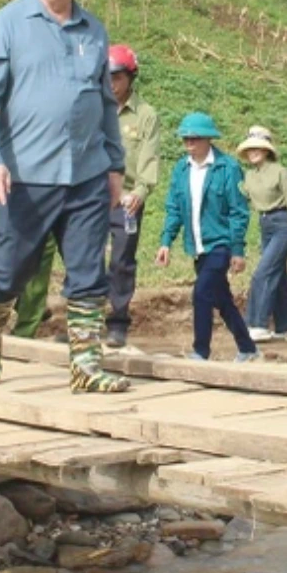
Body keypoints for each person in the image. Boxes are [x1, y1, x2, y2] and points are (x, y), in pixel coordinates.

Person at [0, 0, 130, 394]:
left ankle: (85, 365)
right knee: (10, 269)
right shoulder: (7, 25)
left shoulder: (93, 30)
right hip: (26, 175)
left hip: (85, 173)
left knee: (87, 271)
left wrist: (115, 164)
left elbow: (104, 103)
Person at [155, 112, 259, 362]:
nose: (189, 143)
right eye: (185, 139)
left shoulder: (228, 168)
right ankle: (248, 348)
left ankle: (201, 351)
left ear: (208, 140)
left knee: (201, 292)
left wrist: (237, 249)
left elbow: (238, 211)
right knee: (221, 299)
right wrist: (165, 241)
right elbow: (174, 208)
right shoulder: (181, 169)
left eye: (195, 138)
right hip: (198, 247)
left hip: (220, 244)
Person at [104, 44, 161, 347]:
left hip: (125, 197)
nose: (111, 84)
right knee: (82, 255)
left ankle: (117, 322)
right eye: (106, 77)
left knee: (122, 259)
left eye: (117, 77)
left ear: (130, 78)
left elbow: (149, 157)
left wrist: (140, 190)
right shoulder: (93, 108)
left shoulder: (145, 115)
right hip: (92, 194)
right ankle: (82, 322)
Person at [236, 126, 287, 343]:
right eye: (250, 149)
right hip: (264, 224)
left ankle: (257, 324)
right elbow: (240, 196)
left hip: (282, 224)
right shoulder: (248, 176)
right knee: (278, 275)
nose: (253, 152)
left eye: (258, 148)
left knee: (262, 273)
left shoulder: (280, 171)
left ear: (266, 151)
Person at [0, 206, 56, 339]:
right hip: (5, 200)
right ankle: (24, 309)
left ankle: (24, 332)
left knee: (37, 268)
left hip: (45, 203)